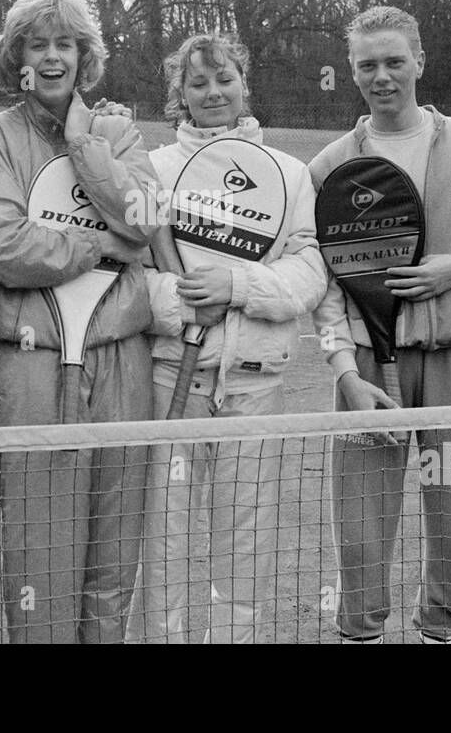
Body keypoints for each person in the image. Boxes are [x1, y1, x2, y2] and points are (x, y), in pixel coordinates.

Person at [311, 5, 451, 644]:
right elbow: (324, 288)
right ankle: (361, 631)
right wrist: (345, 373)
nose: (382, 76)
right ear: (352, 74)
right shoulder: (329, 165)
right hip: (368, 371)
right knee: (360, 518)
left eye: (394, 61)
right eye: (367, 65)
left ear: (419, 63)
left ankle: (445, 629)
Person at [0, 0, 163, 644]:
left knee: (114, 552)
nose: (51, 58)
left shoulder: (117, 130)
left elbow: (144, 225)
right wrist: (96, 244)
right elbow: (0, 247)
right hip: (32, 366)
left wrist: (86, 145)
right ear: (14, 58)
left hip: (122, 362)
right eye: (36, 45)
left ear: (85, 56)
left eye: (66, 45)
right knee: (39, 557)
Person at [126, 33, 327, 644]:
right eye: (197, 83)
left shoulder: (291, 175)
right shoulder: (153, 170)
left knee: (245, 542)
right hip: (170, 378)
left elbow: (309, 273)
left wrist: (235, 284)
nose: (213, 92)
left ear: (244, 84)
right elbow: (130, 275)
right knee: (163, 536)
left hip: (254, 384)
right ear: (179, 96)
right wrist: (182, 302)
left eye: (224, 79)